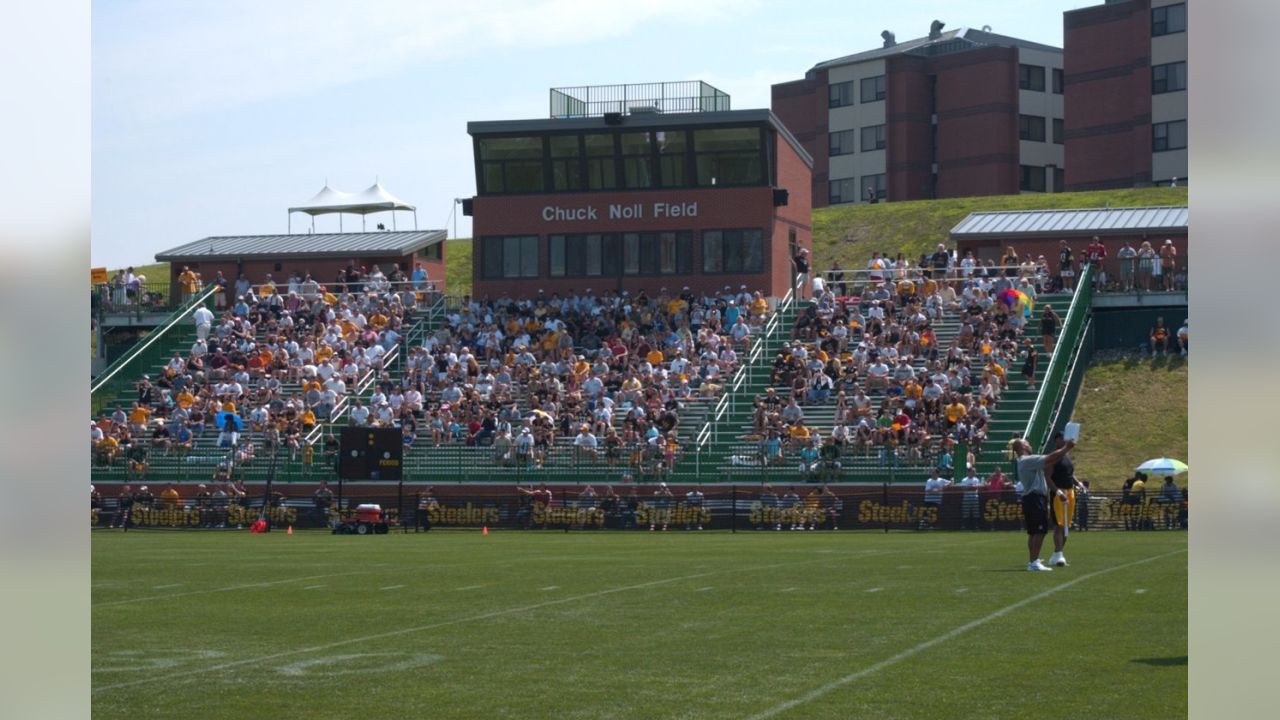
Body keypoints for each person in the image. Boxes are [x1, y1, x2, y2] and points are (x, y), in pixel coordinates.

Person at [1011, 436, 1077, 571]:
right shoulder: (1027, 460)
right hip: (1035, 498)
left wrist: (1063, 451)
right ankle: (1033, 562)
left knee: (1033, 532)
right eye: (1027, 444)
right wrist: (1066, 448)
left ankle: (1033, 559)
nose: (1029, 445)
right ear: (1022, 447)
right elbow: (1049, 458)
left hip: (1030, 498)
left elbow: (1052, 460)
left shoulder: (1026, 461)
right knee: (1040, 531)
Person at [1047, 432, 1085, 566]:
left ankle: (1057, 553)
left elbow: (1070, 474)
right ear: (1056, 441)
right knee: (1059, 524)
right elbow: (1048, 477)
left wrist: (1078, 483)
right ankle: (1059, 554)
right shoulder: (1054, 457)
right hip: (1059, 492)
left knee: (1066, 526)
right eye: (1062, 439)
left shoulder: (1066, 456)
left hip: (1070, 492)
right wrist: (1057, 492)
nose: (1064, 441)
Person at [958, 466, 983, 530]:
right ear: (969, 472)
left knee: (976, 513)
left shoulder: (976, 479)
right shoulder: (964, 480)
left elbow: (976, 488)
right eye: (972, 472)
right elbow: (963, 488)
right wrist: (970, 488)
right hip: (967, 498)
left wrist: (969, 488)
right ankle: (964, 526)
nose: (974, 473)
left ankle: (976, 526)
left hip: (974, 498)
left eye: (974, 472)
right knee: (965, 513)